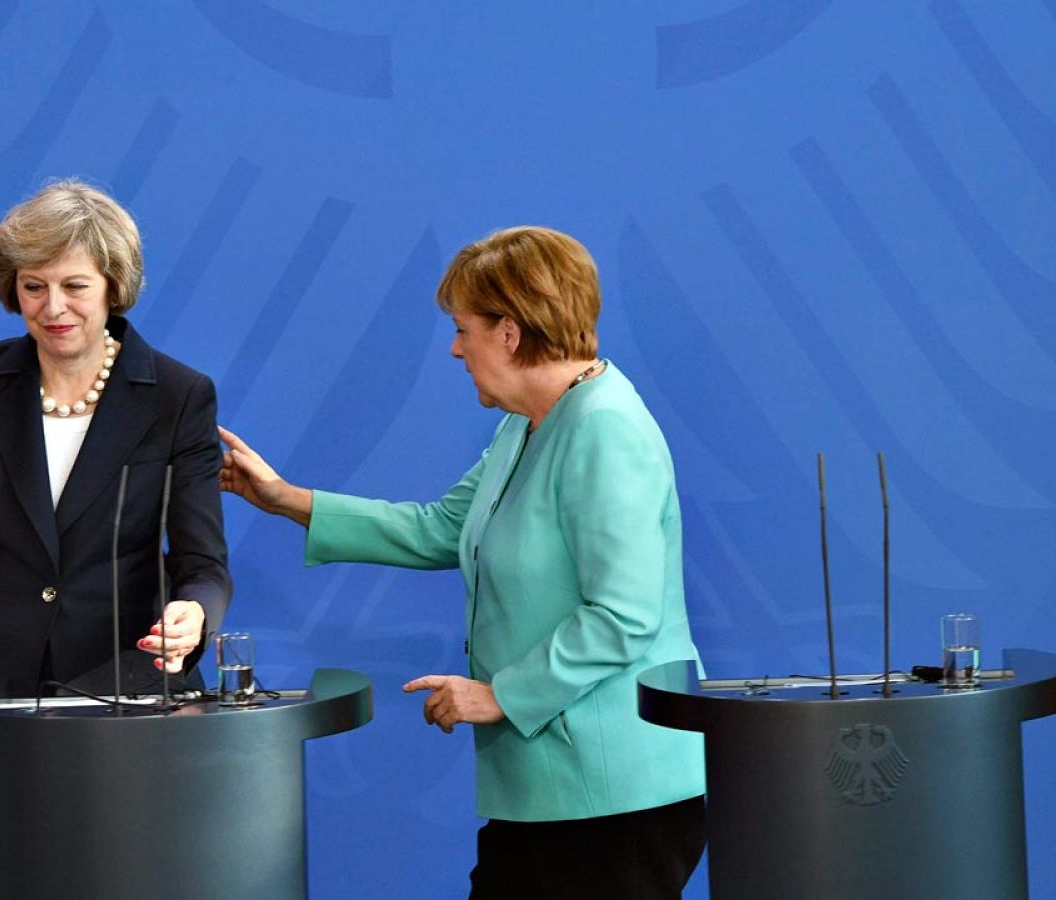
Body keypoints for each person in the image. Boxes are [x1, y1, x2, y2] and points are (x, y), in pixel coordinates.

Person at [218, 226, 706, 898]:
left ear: (509, 331)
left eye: (463, 328)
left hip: (612, 797)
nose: (455, 347)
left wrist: (500, 694)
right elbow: (441, 528)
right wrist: (285, 501)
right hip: (542, 789)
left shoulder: (606, 429)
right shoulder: (526, 422)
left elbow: (623, 615)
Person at [0, 179, 230, 898]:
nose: (53, 307)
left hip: (123, 690)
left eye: (74, 285)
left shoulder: (178, 395)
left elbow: (203, 566)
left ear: (114, 285)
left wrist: (193, 617)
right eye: (32, 286)